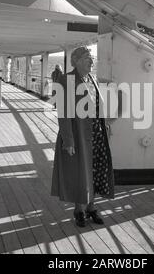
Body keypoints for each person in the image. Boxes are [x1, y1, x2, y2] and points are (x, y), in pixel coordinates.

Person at [51, 46, 114, 227]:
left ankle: (91, 207)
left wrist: (105, 126)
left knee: (94, 170)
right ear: (76, 60)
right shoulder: (66, 79)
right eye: (87, 58)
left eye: (92, 58)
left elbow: (96, 106)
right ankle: (79, 210)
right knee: (80, 172)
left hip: (96, 133)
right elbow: (63, 113)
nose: (91, 61)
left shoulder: (90, 79)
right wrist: (68, 140)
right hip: (78, 134)